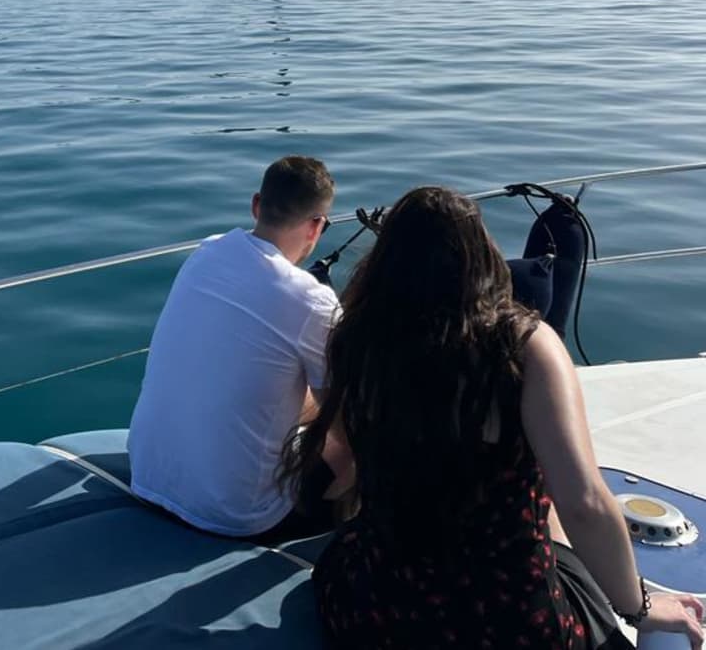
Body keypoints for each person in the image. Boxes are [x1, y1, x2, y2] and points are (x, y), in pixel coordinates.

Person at [285, 185, 704, 649]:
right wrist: (640, 606)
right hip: (506, 619)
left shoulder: (355, 340)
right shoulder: (524, 347)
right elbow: (584, 502)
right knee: (544, 504)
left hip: (377, 607)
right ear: (481, 258)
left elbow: (346, 468)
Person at [128, 155, 351, 539]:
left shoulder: (206, 253)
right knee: (356, 445)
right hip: (237, 516)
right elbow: (341, 414)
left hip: (146, 478)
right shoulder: (313, 301)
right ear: (316, 226)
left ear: (256, 205)